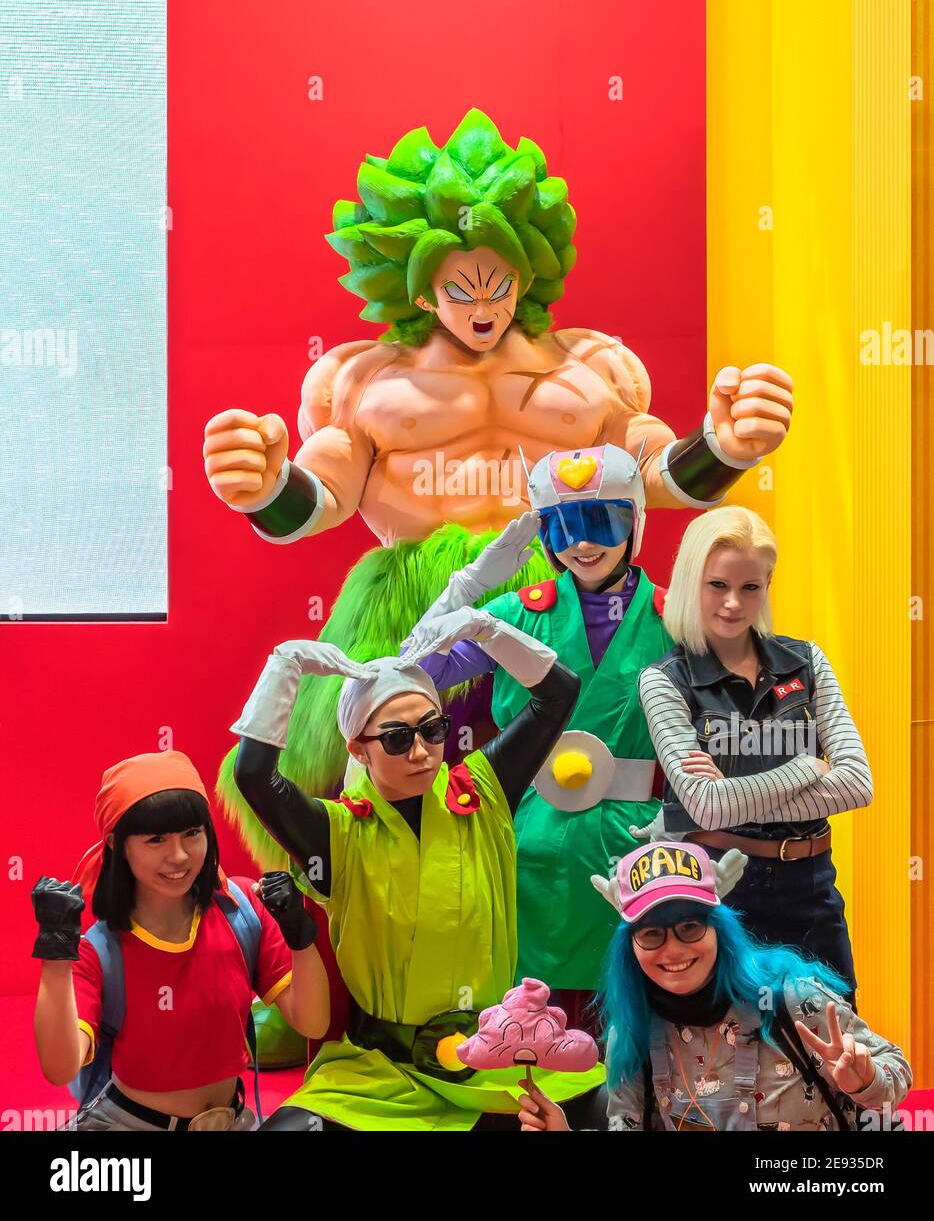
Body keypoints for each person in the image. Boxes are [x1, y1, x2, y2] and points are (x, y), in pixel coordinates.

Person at [204, 107, 795, 869]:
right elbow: (325, 491)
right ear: (418, 292)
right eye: (459, 288)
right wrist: (264, 487)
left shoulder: (588, 370)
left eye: (498, 283)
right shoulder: (364, 381)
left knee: (586, 784)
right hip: (414, 603)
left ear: (528, 269)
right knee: (380, 806)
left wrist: (721, 446)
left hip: (563, 597)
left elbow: (649, 474)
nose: (483, 308)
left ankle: (599, 962)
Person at [230, 614, 606, 1130]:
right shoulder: (336, 832)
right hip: (381, 1072)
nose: (421, 751)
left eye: (433, 730)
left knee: (608, 1112)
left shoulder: (484, 791)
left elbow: (558, 694)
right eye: (396, 738)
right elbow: (253, 774)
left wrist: (487, 630)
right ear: (357, 749)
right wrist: (284, 668)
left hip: (494, 1059)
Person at [405, 444, 671, 1016]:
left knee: (629, 1014)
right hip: (525, 847)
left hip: (638, 849)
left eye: (603, 519)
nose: (583, 542)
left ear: (636, 521)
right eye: (565, 524)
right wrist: (468, 586)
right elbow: (413, 665)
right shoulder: (519, 611)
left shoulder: (675, 618)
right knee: (528, 1023)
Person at [635, 507, 872, 993]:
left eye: (750, 587)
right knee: (733, 1052)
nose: (733, 604)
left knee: (834, 1044)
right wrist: (806, 766)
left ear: (767, 587)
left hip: (813, 885)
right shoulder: (663, 681)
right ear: (689, 582)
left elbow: (856, 783)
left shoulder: (807, 661)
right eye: (717, 585)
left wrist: (734, 789)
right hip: (722, 889)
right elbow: (702, 804)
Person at [517, 841, 910, 1132]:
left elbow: (897, 1073)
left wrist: (866, 1081)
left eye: (690, 926)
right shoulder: (633, 1028)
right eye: (652, 934)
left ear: (719, 931)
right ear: (631, 948)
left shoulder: (791, 1000)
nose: (673, 949)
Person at [31, 750, 329, 1132]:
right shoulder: (99, 950)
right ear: (116, 843)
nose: (179, 856)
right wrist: (56, 954)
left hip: (232, 1122)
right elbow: (60, 1068)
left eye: (192, 833)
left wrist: (300, 934)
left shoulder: (242, 911)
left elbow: (313, 1022)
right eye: (155, 839)